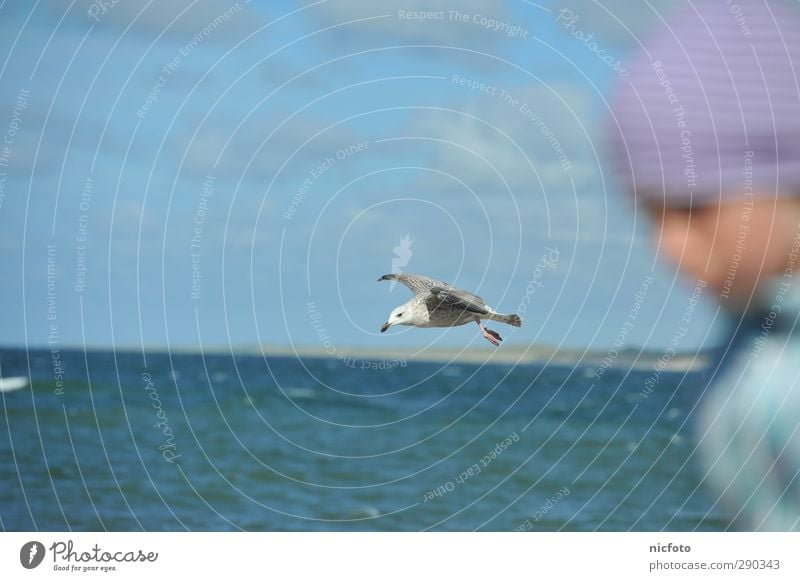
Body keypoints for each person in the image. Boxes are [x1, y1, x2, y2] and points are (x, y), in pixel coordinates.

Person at [609, 0, 800, 530]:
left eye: (694, 208)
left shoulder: (769, 377)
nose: (670, 245)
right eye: (651, 215)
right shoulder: (748, 352)